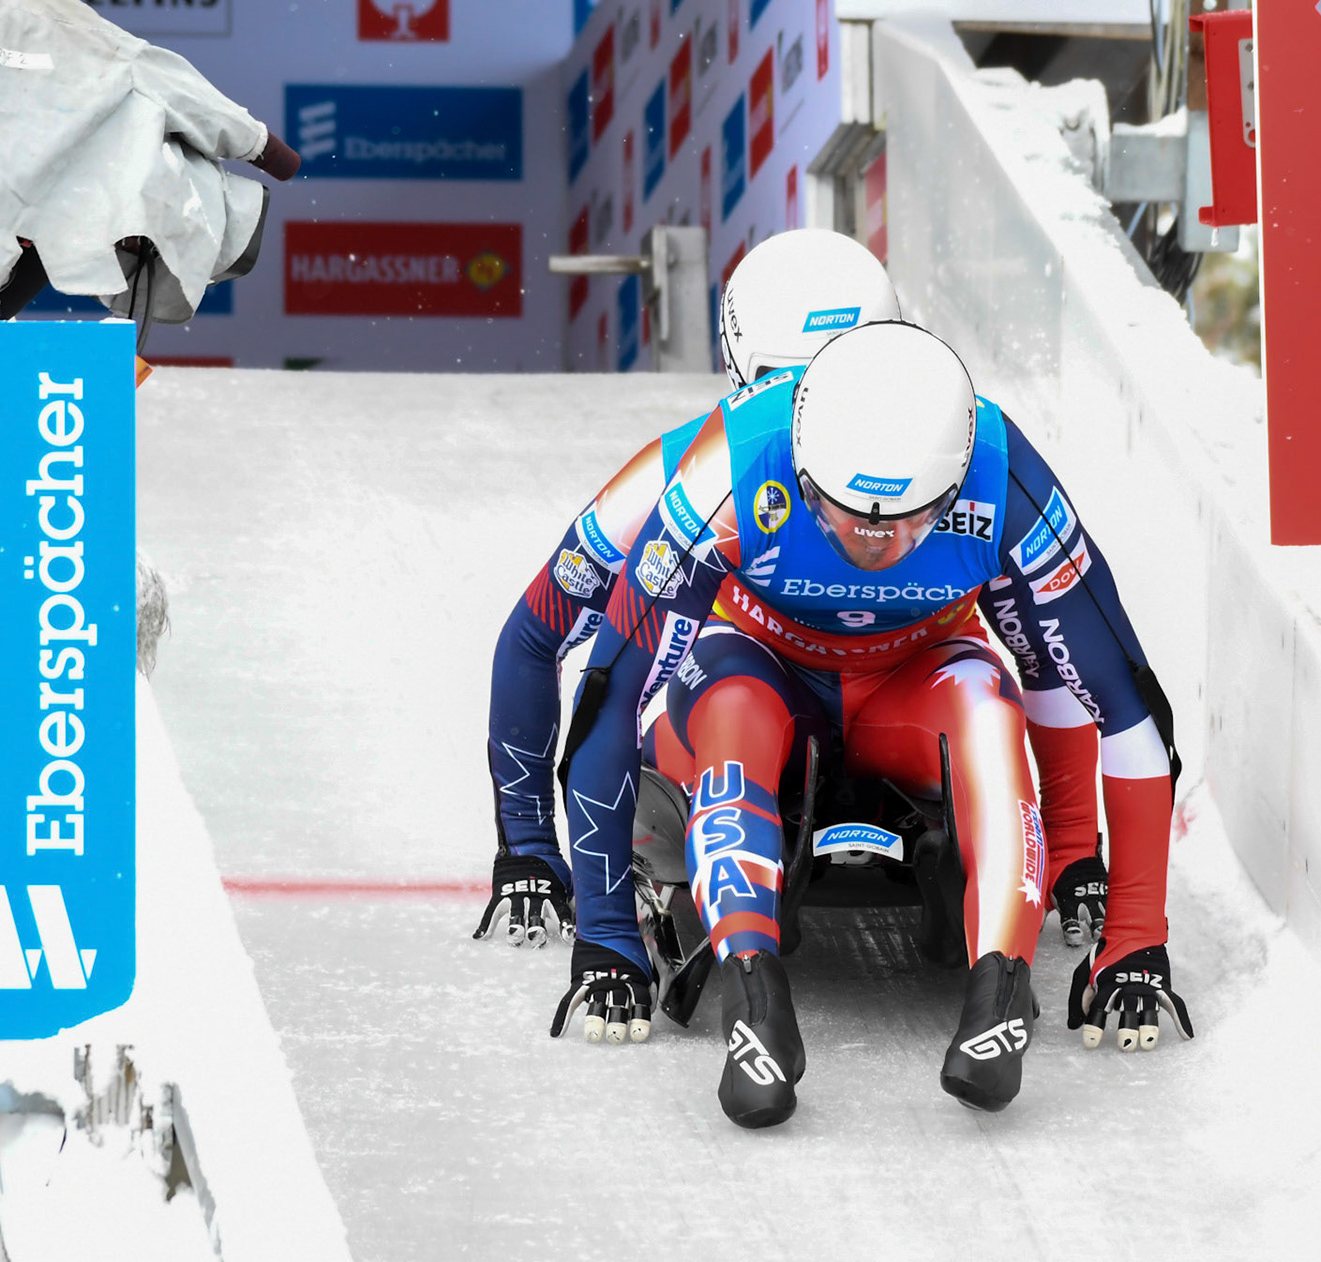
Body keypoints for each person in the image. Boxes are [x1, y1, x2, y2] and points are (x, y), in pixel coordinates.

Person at [547, 322, 1192, 1128]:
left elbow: (1123, 702)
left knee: (989, 709)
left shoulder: (1007, 477)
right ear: (802, 474)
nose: (873, 544)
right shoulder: (730, 469)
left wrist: (1134, 940)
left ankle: (1000, 990)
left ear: (955, 488)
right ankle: (754, 1000)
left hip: (917, 674)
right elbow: (612, 685)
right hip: (755, 660)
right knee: (732, 713)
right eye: (841, 515)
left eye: (908, 524)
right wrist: (604, 936)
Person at [479, 232, 1112, 957]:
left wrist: (1070, 850)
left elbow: (1049, 650)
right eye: (790, 382)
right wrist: (527, 847)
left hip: (914, 692)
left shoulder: (977, 465)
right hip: (756, 689)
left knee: (980, 705)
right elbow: (538, 632)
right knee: (707, 715)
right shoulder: (699, 471)